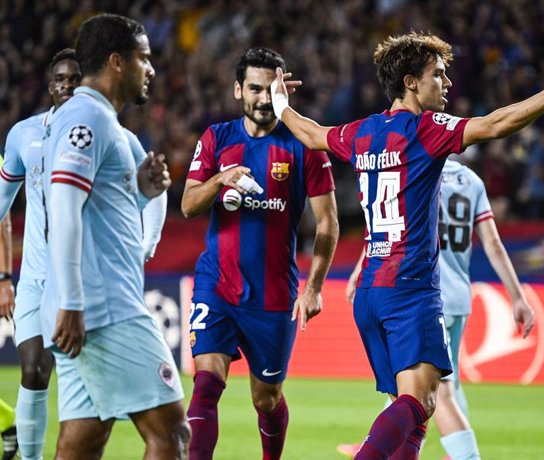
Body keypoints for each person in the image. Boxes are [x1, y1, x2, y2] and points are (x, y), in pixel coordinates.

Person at [271, 31, 544, 458]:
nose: (446, 84)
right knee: (420, 402)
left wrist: (280, 103)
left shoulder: (362, 132)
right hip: (410, 289)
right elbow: (497, 124)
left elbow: (311, 133)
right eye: (437, 75)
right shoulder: (427, 128)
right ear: (410, 83)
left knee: (414, 413)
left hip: (369, 290)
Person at [41, 14, 189, 459]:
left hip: (87, 306)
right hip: (104, 308)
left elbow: (95, 208)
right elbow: (64, 208)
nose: (152, 69)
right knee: (172, 434)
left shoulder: (90, 121)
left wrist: (140, 192)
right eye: (144, 59)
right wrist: (72, 301)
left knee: (83, 441)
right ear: (116, 62)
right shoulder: (89, 118)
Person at [181, 47, 338, 460]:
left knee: (266, 399)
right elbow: (188, 205)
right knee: (206, 384)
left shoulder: (306, 147)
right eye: (255, 88)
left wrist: (315, 288)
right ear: (238, 90)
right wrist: (219, 180)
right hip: (217, 285)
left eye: (272, 88)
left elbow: (327, 223)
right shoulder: (216, 139)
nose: (264, 98)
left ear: (284, 89)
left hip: (272, 296)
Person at [338, 159, 536, 459]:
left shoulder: (416, 169)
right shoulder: (472, 181)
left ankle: (461, 455)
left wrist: (359, 270)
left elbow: (388, 227)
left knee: (437, 392)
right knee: (432, 384)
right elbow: (493, 244)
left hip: (421, 295)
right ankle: (385, 441)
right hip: (458, 296)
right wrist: (518, 297)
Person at [0, 49, 80, 460]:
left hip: (79, 282)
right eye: (60, 79)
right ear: (50, 86)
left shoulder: (99, 135)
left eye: (75, 79)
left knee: (79, 383)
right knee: (33, 369)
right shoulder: (23, 135)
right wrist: (2, 278)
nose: (67, 85)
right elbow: (1, 205)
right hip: (33, 280)